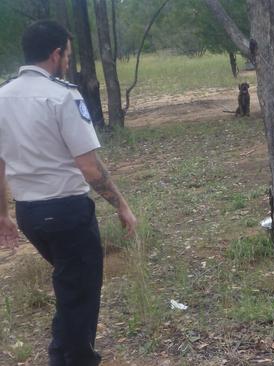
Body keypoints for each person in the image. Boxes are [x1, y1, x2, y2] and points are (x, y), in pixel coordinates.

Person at [0, 20, 137, 366]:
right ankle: (75, 359)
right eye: (67, 55)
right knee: (81, 293)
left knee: (70, 285)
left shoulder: (2, 98)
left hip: (29, 214)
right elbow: (90, 168)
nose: (68, 61)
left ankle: (61, 354)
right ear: (55, 54)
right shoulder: (62, 96)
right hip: (67, 212)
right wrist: (122, 205)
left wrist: (3, 215)